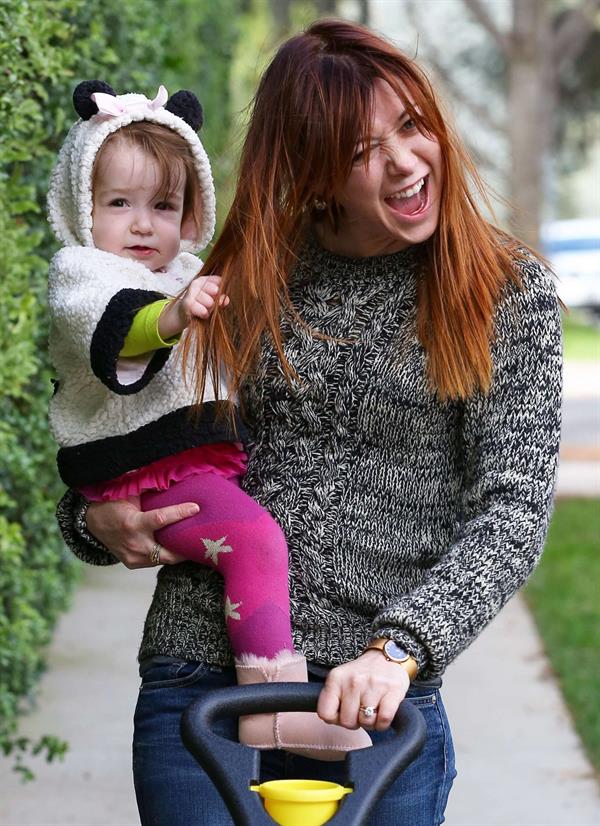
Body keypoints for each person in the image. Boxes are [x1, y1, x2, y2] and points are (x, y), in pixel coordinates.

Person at [55, 19, 562, 826]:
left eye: (412, 125)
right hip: (201, 684)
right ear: (316, 171)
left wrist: (401, 649)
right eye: (363, 150)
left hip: (380, 708)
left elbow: (514, 509)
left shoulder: (504, 292)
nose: (403, 162)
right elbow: (128, 416)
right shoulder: (246, 270)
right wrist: (90, 520)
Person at [47, 79, 368, 761]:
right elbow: (116, 331)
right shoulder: (84, 275)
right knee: (255, 543)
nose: (142, 224)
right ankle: (273, 709)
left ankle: (270, 704)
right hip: (141, 465)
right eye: (119, 204)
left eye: (164, 205)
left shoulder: (186, 271)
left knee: (251, 544)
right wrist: (172, 314)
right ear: (81, 206)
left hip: (171, 462)